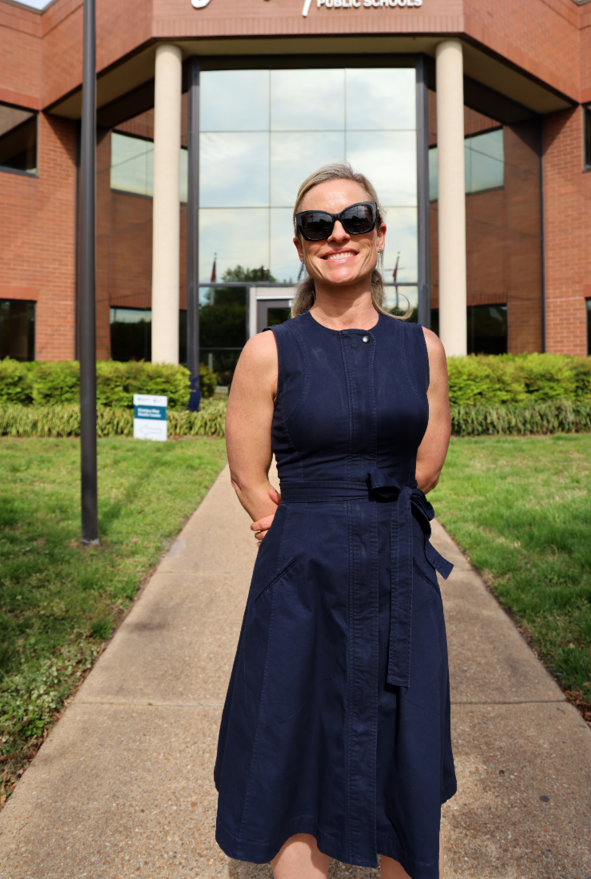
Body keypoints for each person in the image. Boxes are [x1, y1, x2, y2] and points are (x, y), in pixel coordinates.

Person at [214, 163, 456, 879]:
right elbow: (248, 474)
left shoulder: (424, 348)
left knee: (398, 744)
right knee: (292, 742)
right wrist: (292, 526)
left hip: (399, 569)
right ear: (300, 245)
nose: (337, 234)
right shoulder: (268, 351)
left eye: (354, 218)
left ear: (380, 234)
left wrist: (365, 516)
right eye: (318, 225)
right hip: (302, 580)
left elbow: (425, 465)